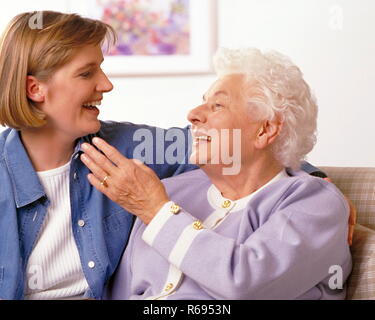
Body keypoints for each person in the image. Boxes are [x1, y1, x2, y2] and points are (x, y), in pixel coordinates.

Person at [81, 48, 352, 299]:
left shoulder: (315, 204)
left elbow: (247, 284)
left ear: (265, 130)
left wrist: (156, 211)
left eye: (218, 106)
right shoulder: (171, 190)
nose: (192, 115)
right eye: (202, 103)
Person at [0, 11, 196, 300]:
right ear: (35, 88)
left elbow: (224, 144)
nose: (106, 84)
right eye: (86, 72)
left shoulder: (124, 148)